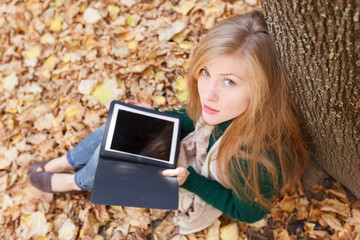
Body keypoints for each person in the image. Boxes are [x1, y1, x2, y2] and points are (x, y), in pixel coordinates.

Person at [28, 10, 309, 234]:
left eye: (230, 82)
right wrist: (152, 119)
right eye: (206, 72)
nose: (208, 93)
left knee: (116, 158)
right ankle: (67, 161)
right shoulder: (225, 109)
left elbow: (249, 213)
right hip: (197, 153)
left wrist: (191, 181)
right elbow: (193, 119)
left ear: (263, 90)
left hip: (199, 177)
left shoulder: (253, 160)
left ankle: (75, 182)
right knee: (118, 128)